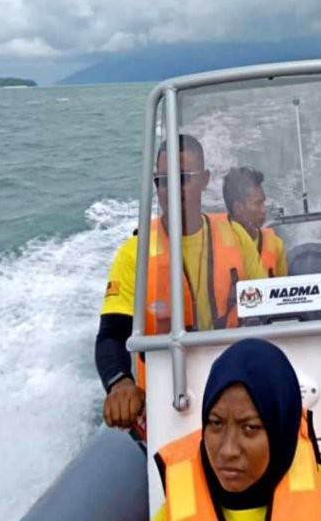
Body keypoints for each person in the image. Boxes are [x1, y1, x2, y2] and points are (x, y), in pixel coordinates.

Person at [95, 134, 267, 429]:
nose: (172, 189)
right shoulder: (134, 254)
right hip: (167, 404)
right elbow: (111, 336)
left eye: (184, 178)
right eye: (162, 181)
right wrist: (120, 383)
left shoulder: (236, 236)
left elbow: (269, 312)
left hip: (238, 391)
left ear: (204, 179)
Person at [152, 338, 321, 521]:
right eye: (216, 423)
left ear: (280, 430)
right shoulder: (175, 510)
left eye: (250, 428)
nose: (228, 451)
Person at [222, 166, 288, 278]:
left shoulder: (276, 245)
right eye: (258, 203)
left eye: (263, 203)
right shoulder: (214, 248)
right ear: (238, 208)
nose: (264, 210)